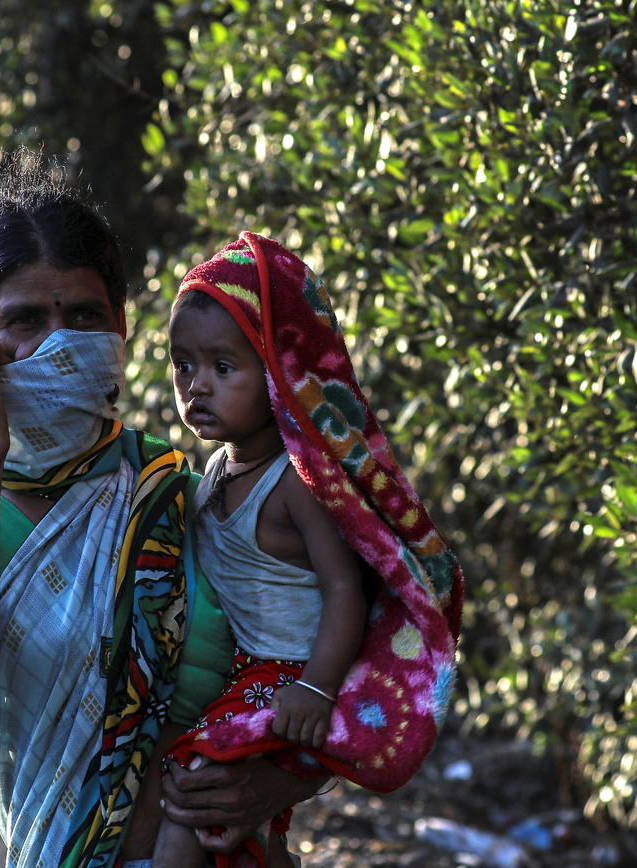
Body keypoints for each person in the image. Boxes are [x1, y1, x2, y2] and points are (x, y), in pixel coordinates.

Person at [0, 155, 321, 868]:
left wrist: (273, 784)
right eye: (24, 320)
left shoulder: (185, 490)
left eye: (84, 315)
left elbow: (332, 661)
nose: (57, 343)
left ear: (120, 326)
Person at [152, 232, 466, 868]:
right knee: (229, 824)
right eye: (183, 365)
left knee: (193, 798)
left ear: (277, 373)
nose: (197, 387)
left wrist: (316, 690)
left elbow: (344, 589)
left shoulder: (295, 484)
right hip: (238, 675)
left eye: (223, 367)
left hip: (283, 679)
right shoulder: (215, 470)